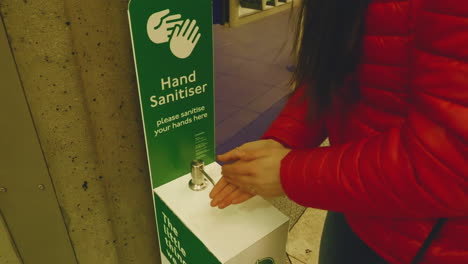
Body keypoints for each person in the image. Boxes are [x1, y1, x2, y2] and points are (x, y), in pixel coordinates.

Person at [209, 0, 468, 263]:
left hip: (421, 240)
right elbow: (335, 70)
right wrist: (283, 139)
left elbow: (451, 161)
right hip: (353, 194)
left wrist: (290, 173)